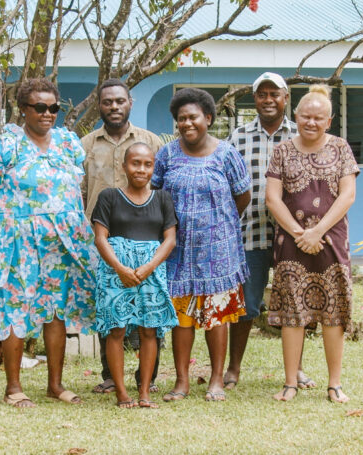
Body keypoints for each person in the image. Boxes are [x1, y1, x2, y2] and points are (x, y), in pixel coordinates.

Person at [0, 78, 98, 408]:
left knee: (55, 312)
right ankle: (13, 388)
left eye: (53, 108)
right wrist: (11, 219)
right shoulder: (6, 147)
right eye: (39, 107)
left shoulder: (68, 144)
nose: (47, 113)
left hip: (60, 245)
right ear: (23, 109)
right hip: (18, 246)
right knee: (16, 309)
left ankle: (55, 385)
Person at [152, 88, 251, 402]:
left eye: (192, 116)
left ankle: (217, 380)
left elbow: (243, 196)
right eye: (181, 118)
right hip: (177, 253)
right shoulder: (167, 154)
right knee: (182, 320)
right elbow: (154, 195)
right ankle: (181, 382)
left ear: (208, 118)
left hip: (218, 253)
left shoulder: (226, 154)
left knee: (215, 318)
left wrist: (216, 225)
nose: (186, 123)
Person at [265, 84, 359, 403]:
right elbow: (273, 199)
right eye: (306, 115)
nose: (311, 122)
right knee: (293, 311)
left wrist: (317, 231)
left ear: (329, 121)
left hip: (331, 240)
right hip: (291, 244)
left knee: (333, 309)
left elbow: (347, 195)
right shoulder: (281, 151)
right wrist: (299, 233)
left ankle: (335, 384)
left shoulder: (342, 148)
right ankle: (290, 383)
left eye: (319, 117)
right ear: (296, 116)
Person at [224, 72, 316, 390]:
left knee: (294, 302)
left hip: (293, 234)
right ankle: (233, 369)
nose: (267, 99)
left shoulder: (300, 135)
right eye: (261, 94)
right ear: (255, 99)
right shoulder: (237, 137)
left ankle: (298, 369)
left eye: (273, 94)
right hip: (249, 232)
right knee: (246, 305)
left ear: (285, 98)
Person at [82, 79, 165, 396]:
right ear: (99, 105)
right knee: (110, 312)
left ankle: (149, 378)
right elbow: (79, 193)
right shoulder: (86, 145)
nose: (114, 106)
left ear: (130, 102)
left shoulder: (151, 142)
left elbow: (161, 190)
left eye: (119, 101)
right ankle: (109, 376)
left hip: (146, 241)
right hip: (102, 239)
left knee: (150, 312)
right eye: (107, 102)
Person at [92, 142, 179, 408]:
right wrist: (120, 268)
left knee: (149, 331)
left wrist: (149, 266)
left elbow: (170, 239)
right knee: (115, 331)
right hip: (116, 272)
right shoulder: (109, 197)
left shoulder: (162, 198)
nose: (141, 169)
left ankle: (144, 393)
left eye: (147, 164)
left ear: (154, 167)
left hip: (150, 273)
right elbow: (100, 238)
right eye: (135, 163)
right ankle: (121, 393)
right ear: (124, 166)